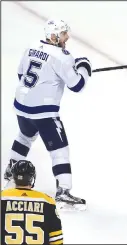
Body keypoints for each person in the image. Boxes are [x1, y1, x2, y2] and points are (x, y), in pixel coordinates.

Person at [3, 19, 90, 210]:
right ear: (53, 36)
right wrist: (84, 67)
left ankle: (11, 171)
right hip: (44, 113)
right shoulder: (63, 57)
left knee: (25, 136)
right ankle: (64, 192)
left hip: (21, 106)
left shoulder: (31, 46)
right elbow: (77, 85)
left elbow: (21, 75)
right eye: (63, 34)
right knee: (60, 151)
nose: (66, 37)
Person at [1, 160, 63, 245]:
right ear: (32, 178)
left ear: (14, 177)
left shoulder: (2, 197)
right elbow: (57, 239)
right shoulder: (47, 201)